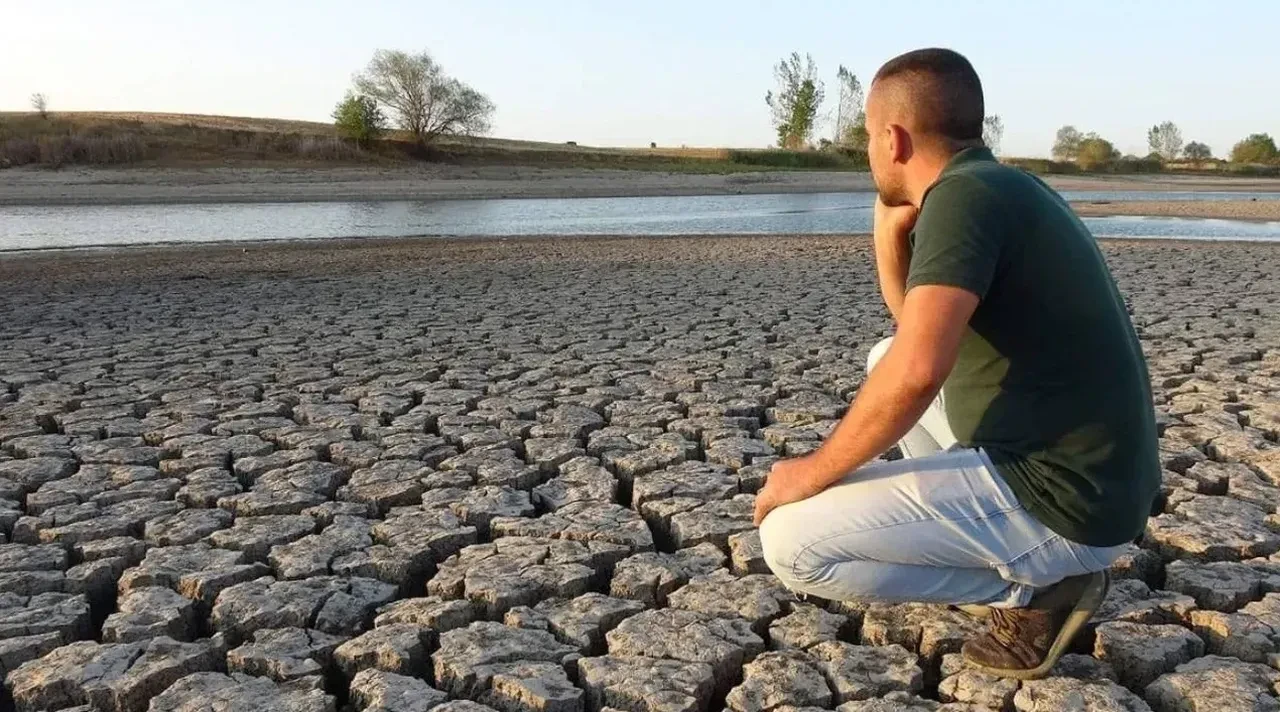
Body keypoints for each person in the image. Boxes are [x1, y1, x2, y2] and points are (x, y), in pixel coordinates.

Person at [754, 47, 1160, 680]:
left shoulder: (964, 201)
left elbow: (919, 375)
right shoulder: (1000, 185)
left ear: (892, 138)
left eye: (866, 137)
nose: (867, 152)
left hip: (1067, 500)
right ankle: (1023, 557)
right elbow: (916, 334)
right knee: (884, 355)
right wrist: (888, 237)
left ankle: (1036, 591)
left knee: (791, 542)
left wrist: (809, 473)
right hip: (1098, 479)